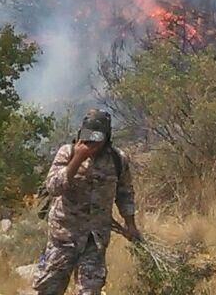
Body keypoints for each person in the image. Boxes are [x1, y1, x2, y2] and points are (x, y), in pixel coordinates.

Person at [33, 109, 139, 295]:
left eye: (97, 137)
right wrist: (78, 159)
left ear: (106, 137)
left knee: (90, 291)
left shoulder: (117, 159)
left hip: (95, 238)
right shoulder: (67, 153)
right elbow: (53, 187)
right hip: (64, 236)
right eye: (88, 135)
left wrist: (130, 224)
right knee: (48, 289)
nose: (92, 141)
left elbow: (125, 193)